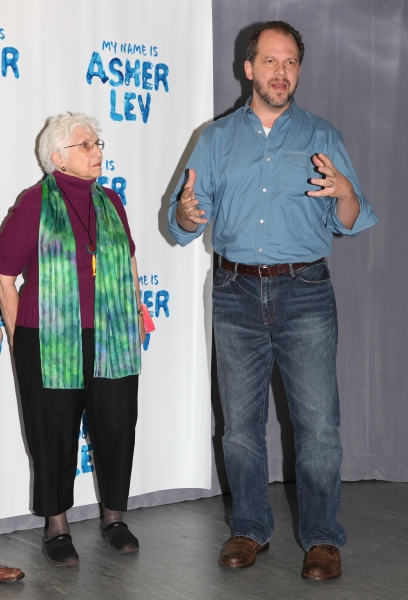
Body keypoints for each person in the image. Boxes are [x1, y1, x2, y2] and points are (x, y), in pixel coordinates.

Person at [168, 21, 378, 580]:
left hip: (304, 291)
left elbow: (352, 220)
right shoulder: (214, 139)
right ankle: (249, 528)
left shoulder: (322, 135)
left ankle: (322, 538)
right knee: (239, 427)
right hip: (236, 291)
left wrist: (347, 194)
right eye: (270, 61)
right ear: (248, 68)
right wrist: (187, 214)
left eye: (290, 63)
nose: (280, 72)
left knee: (318, 426)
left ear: (297, 71)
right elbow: (183, 219)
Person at [0, 113, 145, 567]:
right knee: (53, 435)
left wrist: (136, 310)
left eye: (97, 143)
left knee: (117, 428)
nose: (98, 151)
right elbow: (4, 278)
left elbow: (130, 260)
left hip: (112, 335)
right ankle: (57, 526)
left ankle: (114, 519)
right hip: (47, 341)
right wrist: (17, 334)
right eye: (87, 145)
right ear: (58, 156)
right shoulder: (33, 205)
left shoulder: (112, 201)